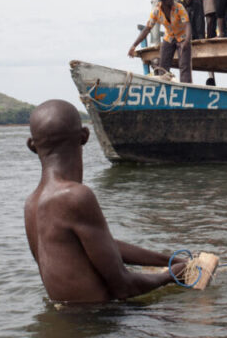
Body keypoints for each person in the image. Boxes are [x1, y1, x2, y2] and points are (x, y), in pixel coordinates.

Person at [24, 99, 187, 303]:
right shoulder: (75, 197)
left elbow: (98, 245)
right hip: (98, 325)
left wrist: (169, 261)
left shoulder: (31, 204)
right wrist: (170, 277)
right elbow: (124, 287)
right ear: (84, 136)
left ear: (32, 145)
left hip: (70, 321)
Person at [129, 0, 192, 83]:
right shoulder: (156, 12)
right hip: (169, 38)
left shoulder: (179, 7)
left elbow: (187, 24)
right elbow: (147, 29)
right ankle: (164, 84)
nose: (172, 0)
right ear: (163, 1)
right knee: (163, 65)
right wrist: (134, 45)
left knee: (184, 65)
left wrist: (187, 41)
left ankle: (187, 87)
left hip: (182, 37)